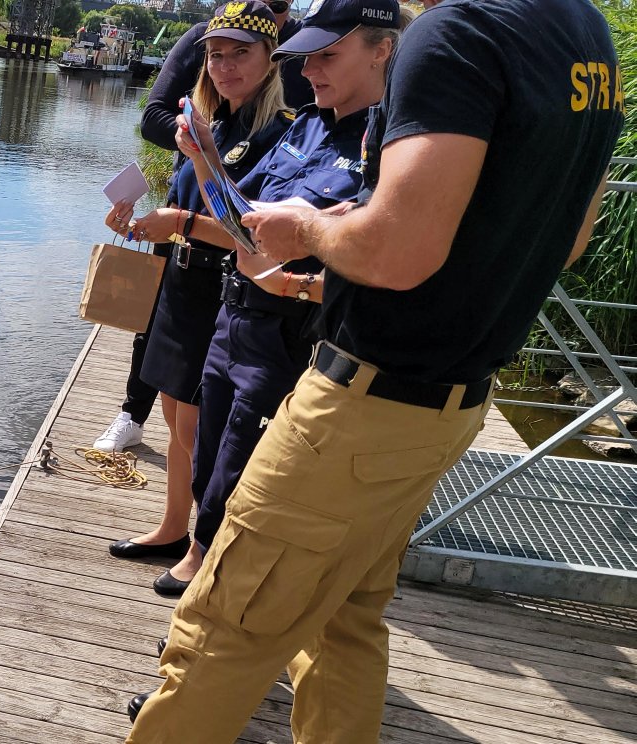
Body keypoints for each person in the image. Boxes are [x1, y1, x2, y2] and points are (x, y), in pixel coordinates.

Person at [126, 0, 623, 738]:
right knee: (342, 624)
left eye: (327, 54)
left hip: (362, 402)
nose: (310, 69)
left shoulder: (456, 31)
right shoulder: (586, 33)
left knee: (224, 625)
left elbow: (396, 250)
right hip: (452, 404)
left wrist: (307, 229)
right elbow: (574, 237)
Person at [137, 0, 407, 605]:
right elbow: (240, 222)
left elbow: (381, 251)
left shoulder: (388, 145)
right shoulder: (303, 124)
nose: (309, 70)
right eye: (306, 57)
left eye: (328, 56)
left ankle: (213, 627)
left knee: (245, 481)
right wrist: (204, 154)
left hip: (294, 337)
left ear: (382, 50)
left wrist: (302, 276)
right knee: (209, 472)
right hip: (232, 320)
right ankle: (204, 598)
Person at [103, 0, 294, 568]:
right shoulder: (207, 125)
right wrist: (138, 221)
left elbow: (254, 233)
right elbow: (185, 198)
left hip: (222, 287)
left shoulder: (278, 133)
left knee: (197, 424)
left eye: (241, 53)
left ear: (271, 57)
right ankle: (171, 527)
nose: (225, 65)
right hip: (180, 285)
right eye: (215, 54)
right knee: (171, 413)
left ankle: (204, 545)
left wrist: (182, 223)